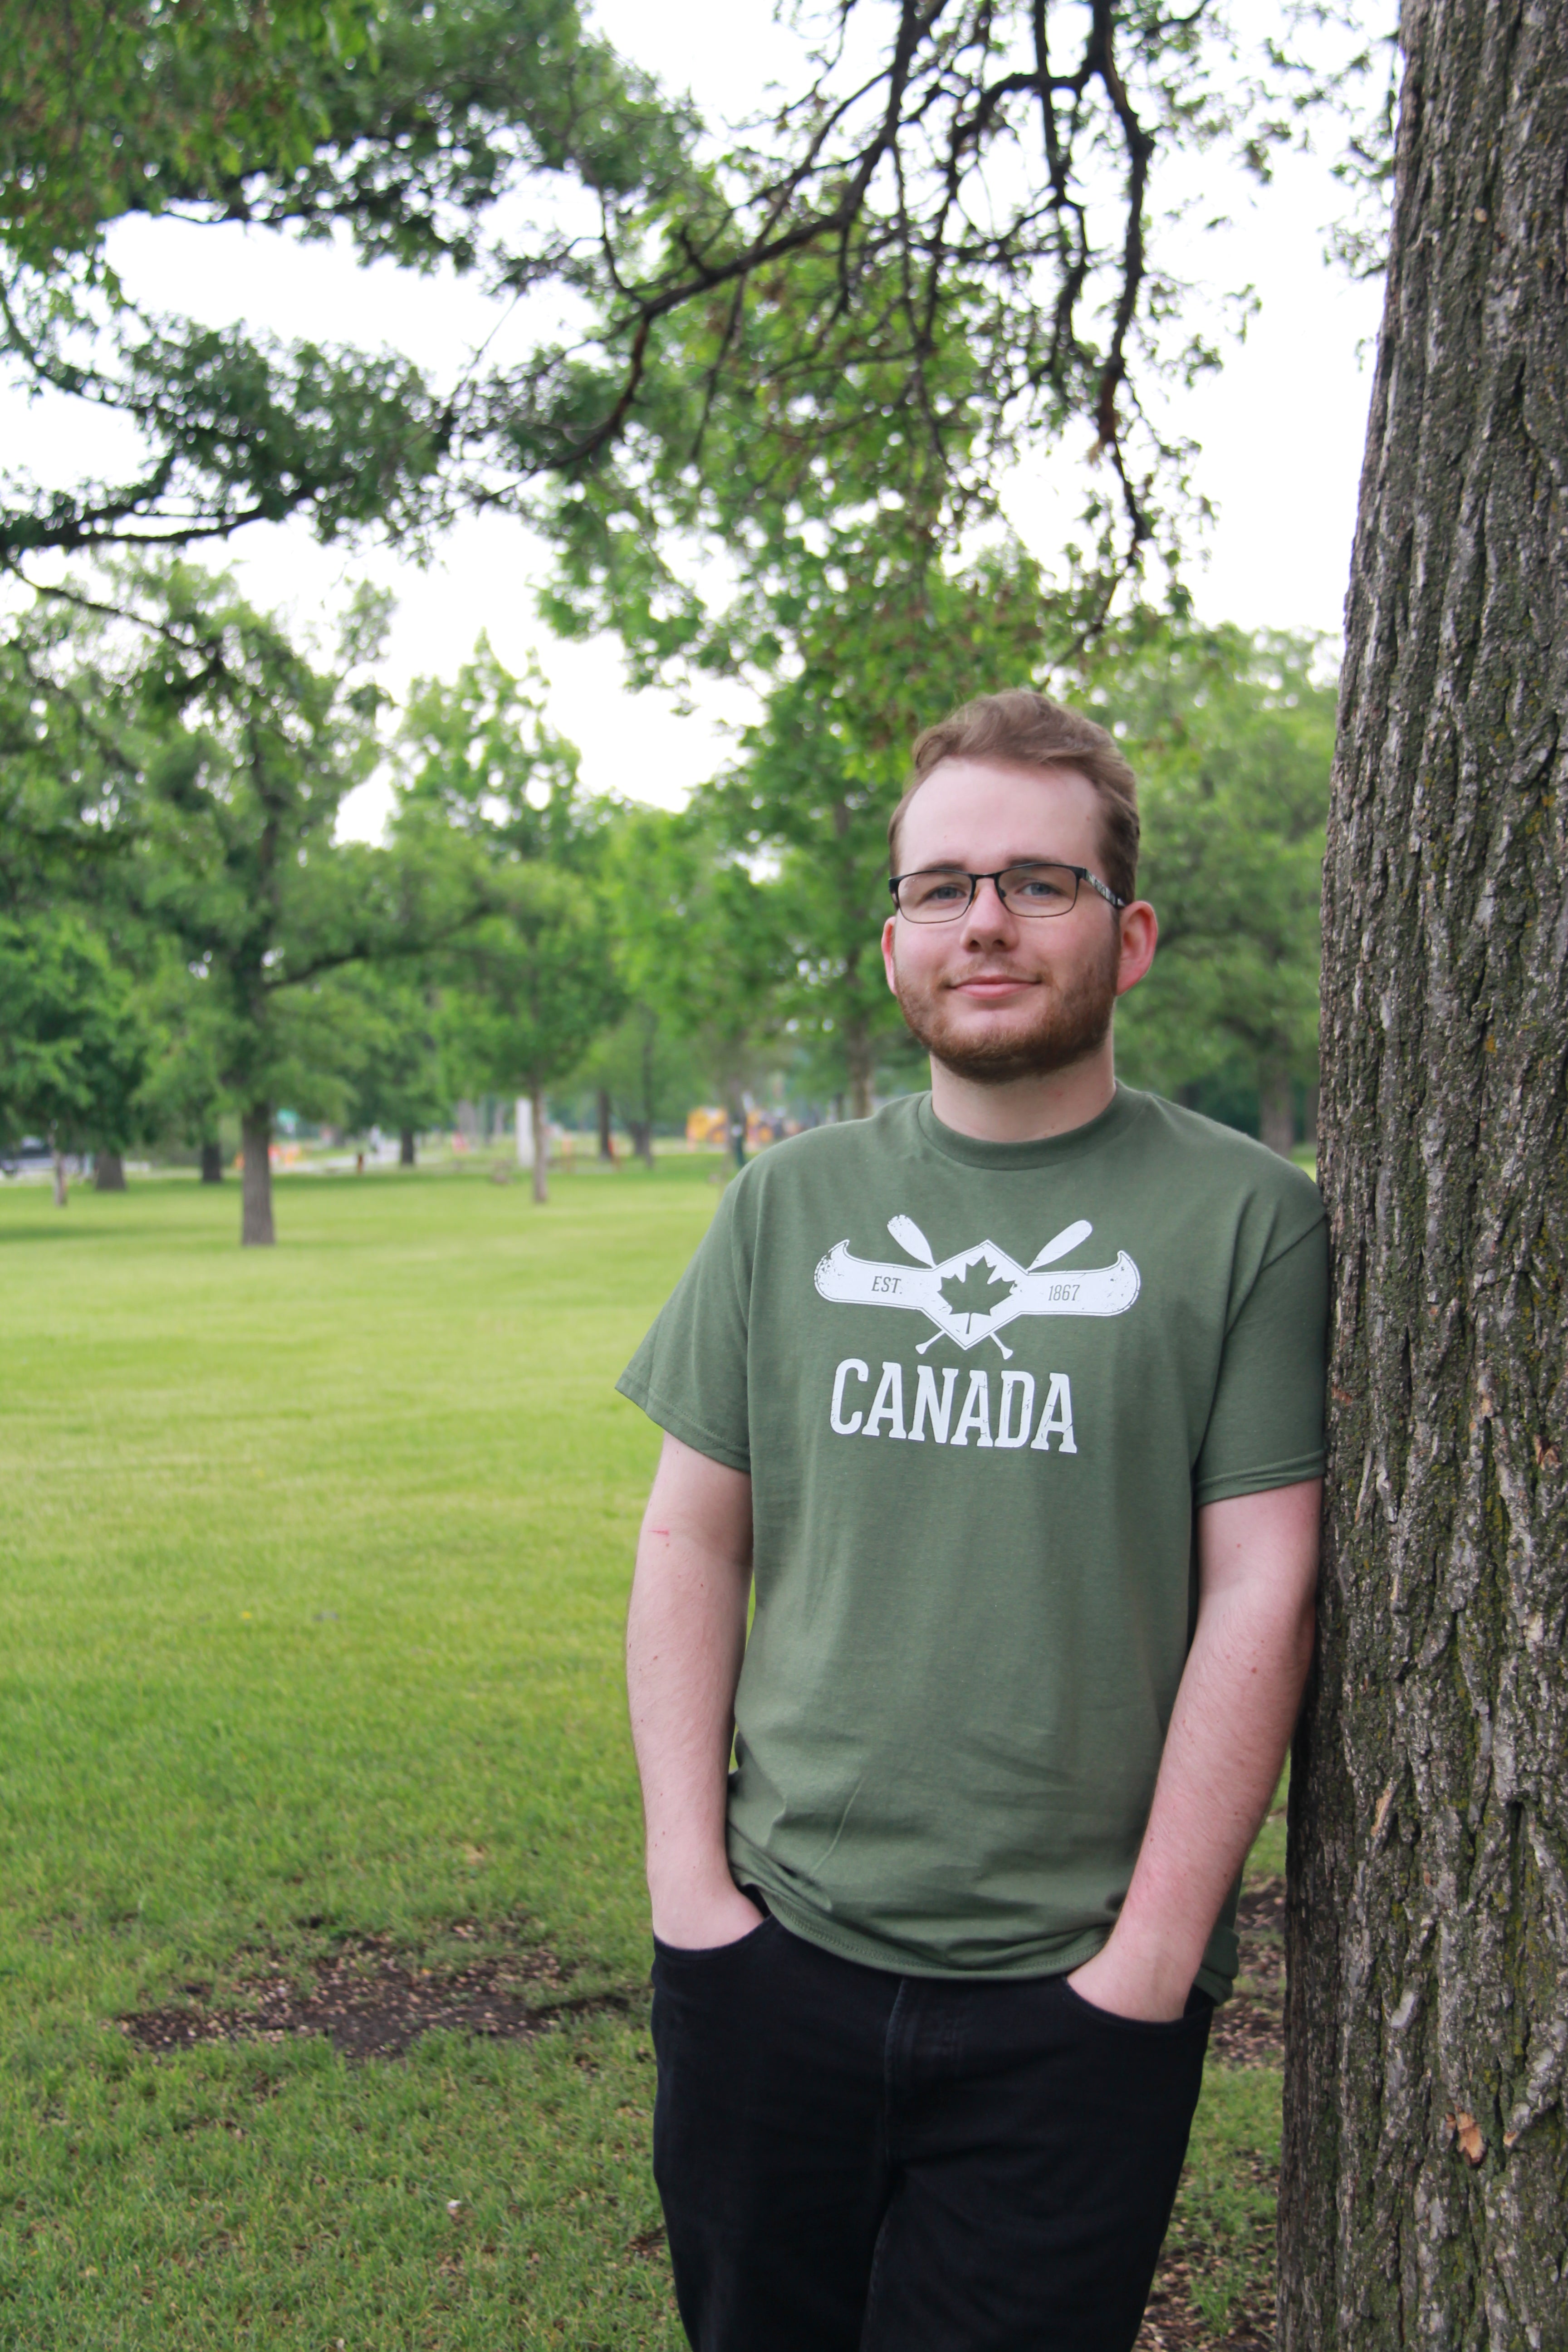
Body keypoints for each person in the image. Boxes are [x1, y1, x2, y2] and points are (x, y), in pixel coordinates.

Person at [618, 689, 1327, 2352]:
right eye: (941, 887)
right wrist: (689, 1903)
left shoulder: (1247, 1223)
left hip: (1073, 2001)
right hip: (769, 1957)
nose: (984, 921)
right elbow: (689, 1541)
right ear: (893, 944)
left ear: (1127, 934)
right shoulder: (784, 1202)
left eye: (1037, 880)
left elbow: (1263, 1590)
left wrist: (1148, 1971)